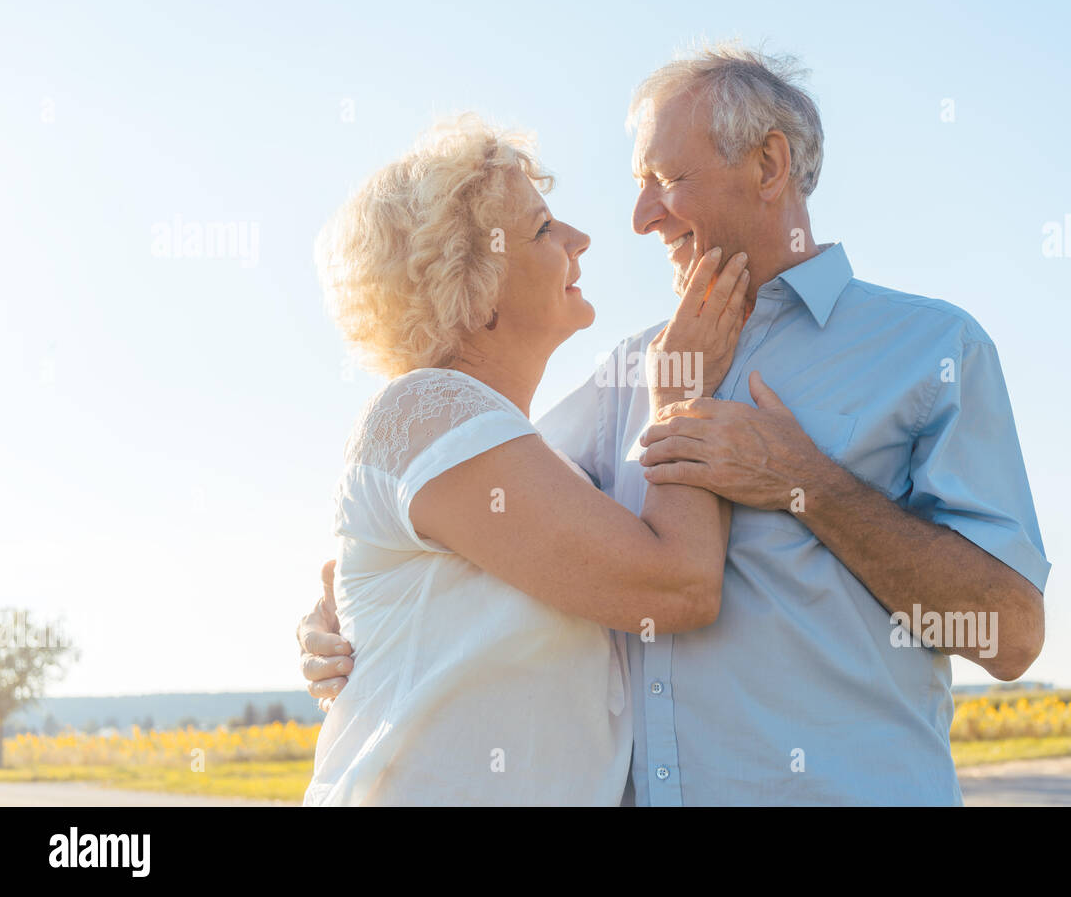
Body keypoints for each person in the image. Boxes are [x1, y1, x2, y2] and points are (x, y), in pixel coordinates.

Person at [300, 44, 1051, 805]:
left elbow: (1014, 634)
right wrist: (337, 605)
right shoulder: (637, 371)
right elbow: (472, 517)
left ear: (768, 165)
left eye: (665, 180)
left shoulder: (932, 351)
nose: (638, 217)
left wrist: (809, 485)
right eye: (638, 186)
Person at [302, 115, 748, 805]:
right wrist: (683, 393)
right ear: (474, 292)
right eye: (543, 230)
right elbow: (679, 584)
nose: (580, 240)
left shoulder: (530, 454)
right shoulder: (429, 410)